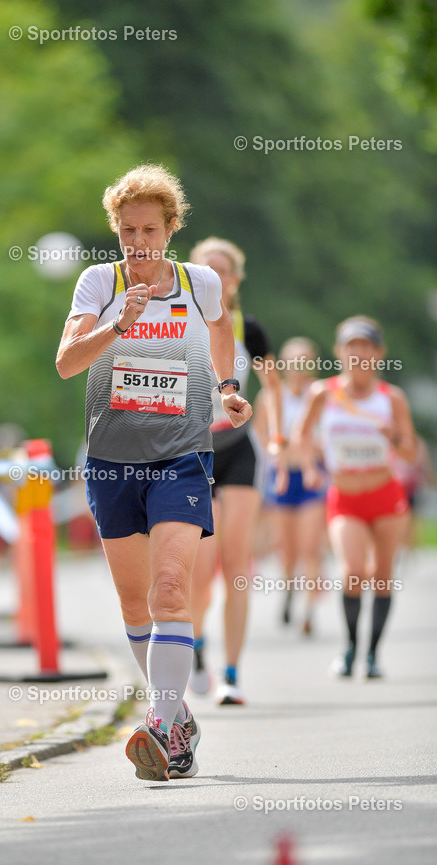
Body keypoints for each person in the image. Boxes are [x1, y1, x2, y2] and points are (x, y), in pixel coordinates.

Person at [57, 164, 252, 782]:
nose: (138, 242)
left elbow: (220, 327)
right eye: (126, 230)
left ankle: (163, 727)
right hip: (112, 463)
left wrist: (226, 388)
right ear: (115, 231)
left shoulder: (199, 283)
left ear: (171, 228)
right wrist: (119, 324)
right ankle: (178, 715)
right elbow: (66, 364)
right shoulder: (98, 283)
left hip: (182, 457)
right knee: (136, 605)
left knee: (172, 590)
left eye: (150, 229)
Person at [187, 238, 285, 705]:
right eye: (206, 269)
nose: (215, 278)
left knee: (236, 565)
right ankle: (197, 646)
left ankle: (232, 674)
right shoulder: (180, 323)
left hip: (238, 447)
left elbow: (274, 387)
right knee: (200, 570)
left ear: (236, 279)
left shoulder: (250, 328)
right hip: (193, 452)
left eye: (223, 271)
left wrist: (278, 439)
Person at [296, 316, 416, 679]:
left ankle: (373, 654)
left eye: (366, 347)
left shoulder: (391, 398)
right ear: (340, 352)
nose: (358, 354)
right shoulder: (323, 392)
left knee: (380, 576)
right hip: (345, 497)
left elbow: (410, 453)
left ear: (378, 353)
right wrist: (311, 467)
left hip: (385, 497)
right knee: (352, 573)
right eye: (351, 347)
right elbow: (301, 435)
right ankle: (350, 647)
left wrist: (394, 437)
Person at [254, 337, 327, 634]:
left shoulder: (321, 395)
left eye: (305, 361)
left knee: (310, 548)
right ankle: (288, 590)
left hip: (311, 478)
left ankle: (309, 610)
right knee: (287, 548)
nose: (300, 368)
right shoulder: (270, 396)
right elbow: (261, 437)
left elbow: (328, 438)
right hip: (281, 479)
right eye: (294, 361)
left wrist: (312, 449)